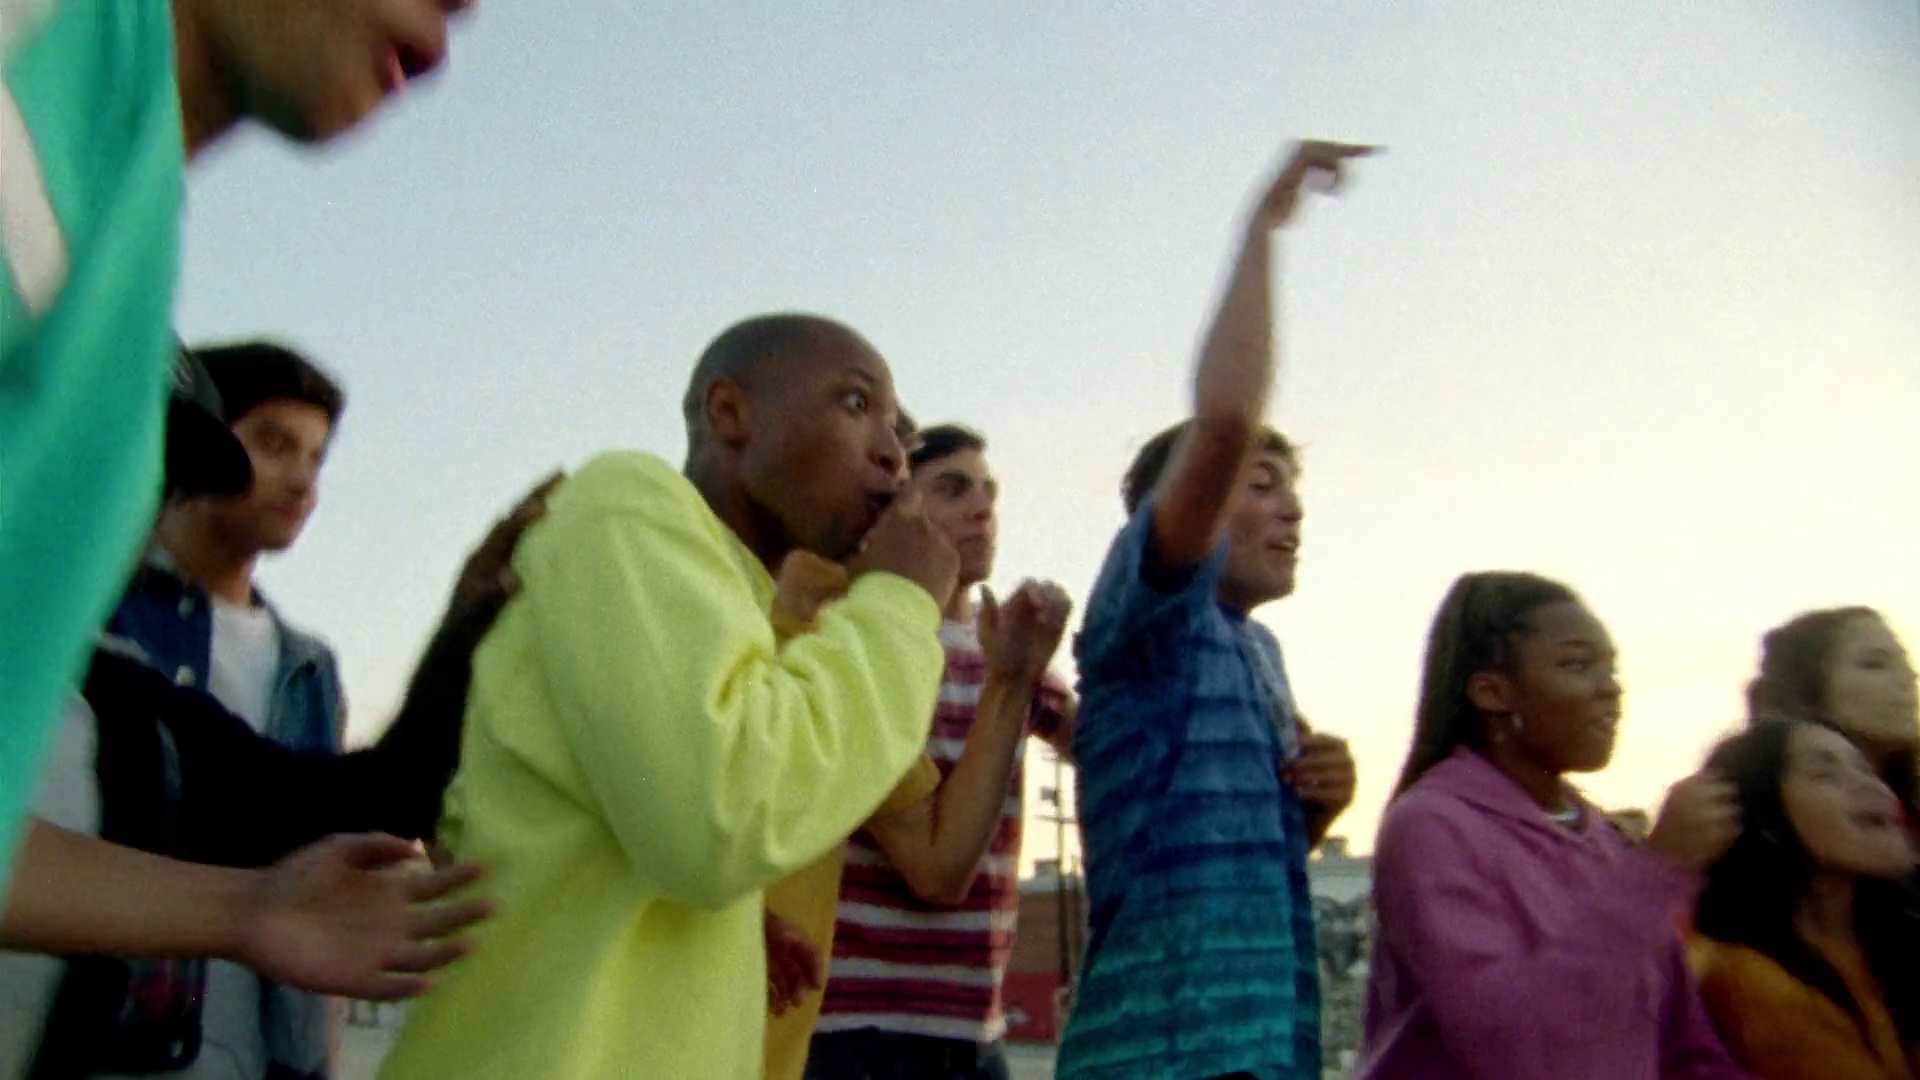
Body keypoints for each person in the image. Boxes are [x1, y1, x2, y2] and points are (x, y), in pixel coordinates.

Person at [380, 313, 964, 1080]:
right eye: (858, 404)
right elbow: (724, 813)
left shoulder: (735, 601)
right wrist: (897, 603)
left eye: (898, 431)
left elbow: (654, 821)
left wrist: (729, 928)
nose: (892, 452)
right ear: (730, 412)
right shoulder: (627, 500)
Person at [0, 0, 472, 890]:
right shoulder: (55, 49)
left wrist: (249, 916)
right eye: (271, 443)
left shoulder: (126, 213)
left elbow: (301, 806)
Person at [0, 346, 512, 1077]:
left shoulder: (113, 687)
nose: (137, 501)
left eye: (159, 476)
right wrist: (242, 910)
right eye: (102, 454)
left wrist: (472, 625)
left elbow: (322, 803)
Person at [1055, 139, 1369, 1080]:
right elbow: (1227, 419)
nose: (1292, 509)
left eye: (1291, 488)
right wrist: (1264, 227)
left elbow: (1233, 851)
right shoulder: (1148, 619)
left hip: (1267, 1047)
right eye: (1257, 485)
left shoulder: (1259, 652)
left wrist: (1319, 802)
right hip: (1160, 1054)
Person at [1356, 571, 1751, 1080]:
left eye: (1611, 669)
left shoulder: (1607, 843)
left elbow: (1683, 1052)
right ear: (1493, 693)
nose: (1610, 689)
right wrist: (1660, 870)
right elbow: (1512, 1045)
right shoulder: (1432, 828)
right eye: (1577, 665)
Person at [795, 425, 1075, 1080]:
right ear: (894, 511)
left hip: (977, 1031)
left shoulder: (1011, 651)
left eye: (988, 492)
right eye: (952, 489)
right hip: (858, 1026)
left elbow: (1113, 748)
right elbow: (936, 872)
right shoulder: (854, 641)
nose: (982, 509)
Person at [105, 341, 349, 1080]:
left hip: (256, 1054)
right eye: (274, 444)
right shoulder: (99, 618)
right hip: (103, 1035)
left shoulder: (310, 668)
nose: (302, 480)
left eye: (316, 458)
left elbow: (326, 866)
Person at [1691, 719, 1920, 1080]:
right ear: (1766, 821)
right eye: (1825, 775)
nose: (1871, 786)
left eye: (1866, 769)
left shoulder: (1891, 943)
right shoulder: (1749, 981)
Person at [1748, 608, 1920, 817]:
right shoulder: (1740, 816)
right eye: (1874, 664)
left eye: (1905, 664)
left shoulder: (1906, 814)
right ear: (1807, 688)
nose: (1908, 678)